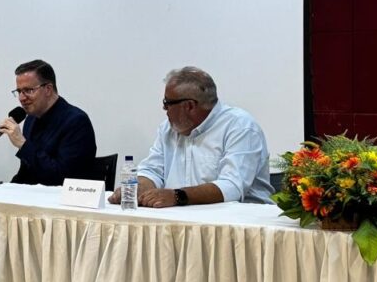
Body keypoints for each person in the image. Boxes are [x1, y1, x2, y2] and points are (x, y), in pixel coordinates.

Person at [108, 66, 273, 207]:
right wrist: (138, 187)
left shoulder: (240, 127)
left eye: (167, 103)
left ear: (189, 106)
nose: (164, 108)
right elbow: (153, 170)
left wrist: (177, 196)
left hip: (240, 226)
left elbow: (231, 187)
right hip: (181, 218)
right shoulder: (168, 129)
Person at [0, 59, 96, 186]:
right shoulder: (30, 120)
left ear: (48, 89)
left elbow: (63, 178)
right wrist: (5, 190)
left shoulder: (76, 121)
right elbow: (26, 173)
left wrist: (23, 144)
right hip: (34, 198)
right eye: (19, 92)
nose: (22, 98)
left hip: (63, 201)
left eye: (28, 90)